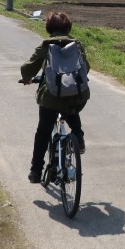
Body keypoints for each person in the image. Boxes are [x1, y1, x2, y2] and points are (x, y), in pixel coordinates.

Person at [19, 10, 90, 183]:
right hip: (77, 95)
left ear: (49, 28)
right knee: (71, 106)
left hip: (51, 98)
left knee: (43, 132)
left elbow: (27, 69)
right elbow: (86, 68)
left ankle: (36, 171)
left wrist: (28, 79)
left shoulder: (46, 46)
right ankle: (78, 136)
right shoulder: (77, 45)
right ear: (68, 27)